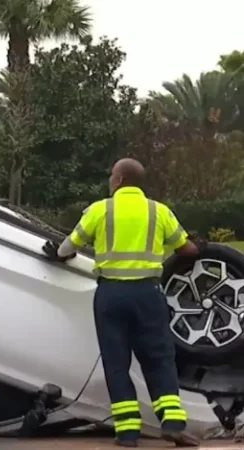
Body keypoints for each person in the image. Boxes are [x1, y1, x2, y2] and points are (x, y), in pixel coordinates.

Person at [42, 158, 204, 447]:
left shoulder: (99, 210)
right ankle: (172, 422)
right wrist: (201, 245)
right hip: (147, 295)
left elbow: (67, 247)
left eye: (111, 175)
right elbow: (187, 248)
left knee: (117, 363)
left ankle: (128, 433)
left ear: (118, 181)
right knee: (159, 359)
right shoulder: (159, 211)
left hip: (111, 296)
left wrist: (60, 254)